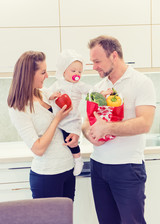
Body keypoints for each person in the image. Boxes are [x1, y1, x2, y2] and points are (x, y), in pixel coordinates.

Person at [82, 35, 156, 224]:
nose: (94, 67)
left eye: (97, 61)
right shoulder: (98, 87)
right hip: (98, 165)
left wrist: (107, 128)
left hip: (127, 168)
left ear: (114, 55)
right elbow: (85, 123)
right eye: (92, 62)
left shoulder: (141, 82)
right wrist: (89, 135)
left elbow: (145, 123)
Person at [7, 51, 78, 200]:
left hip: (67, 169)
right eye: (43, 72)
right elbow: (38, 148)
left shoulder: (44, 93)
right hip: (47, 176)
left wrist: (74, 133)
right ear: (28, 74)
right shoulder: (19, 107)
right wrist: (57, 119)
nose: (47, 76)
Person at [46, 49, 91, 176]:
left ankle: (78, 159)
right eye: (73, 70)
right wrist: (52, 95)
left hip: (73, 119)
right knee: (60, 142)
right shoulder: (58, 84)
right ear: (64, 71)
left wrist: (101, 93)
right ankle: (69, 161)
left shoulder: (79, 85)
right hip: (58, 119)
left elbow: (91, 91)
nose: (77, 74)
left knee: (72, 141)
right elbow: (47, 93)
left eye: (79, 71)